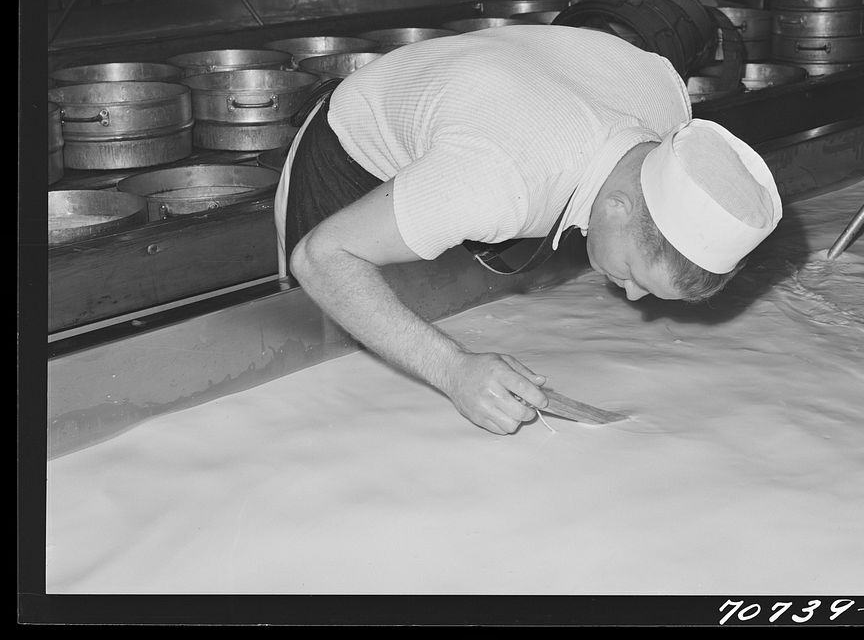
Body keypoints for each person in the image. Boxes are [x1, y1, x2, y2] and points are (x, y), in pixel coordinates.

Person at [274, 24, 781, 435]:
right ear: (619, 207)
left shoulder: (666, 107)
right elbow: (321, 257)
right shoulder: (502, 179)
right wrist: (452, 370)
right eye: (633, 275)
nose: (628, 296)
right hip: (352, 152)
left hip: (474, 127)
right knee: (327, 352)